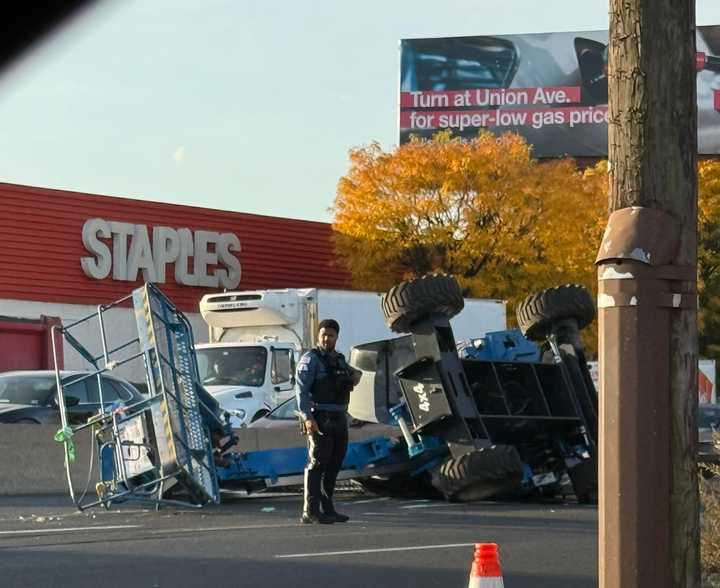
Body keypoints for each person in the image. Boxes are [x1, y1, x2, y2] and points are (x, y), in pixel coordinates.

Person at [296, 319, 361, 524]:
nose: (326, 338)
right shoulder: (311, 359)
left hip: (340, 417)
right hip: (320, 418)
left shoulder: (339, 359)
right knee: (317, 463)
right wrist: (307, 418)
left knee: (334, 464)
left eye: (330, 335)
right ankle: (311, 510)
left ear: (336, 337)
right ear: (318, 336)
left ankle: (328, 508)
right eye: (323, 334)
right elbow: (301, 390)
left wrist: (356, 377)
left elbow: (355, 374)